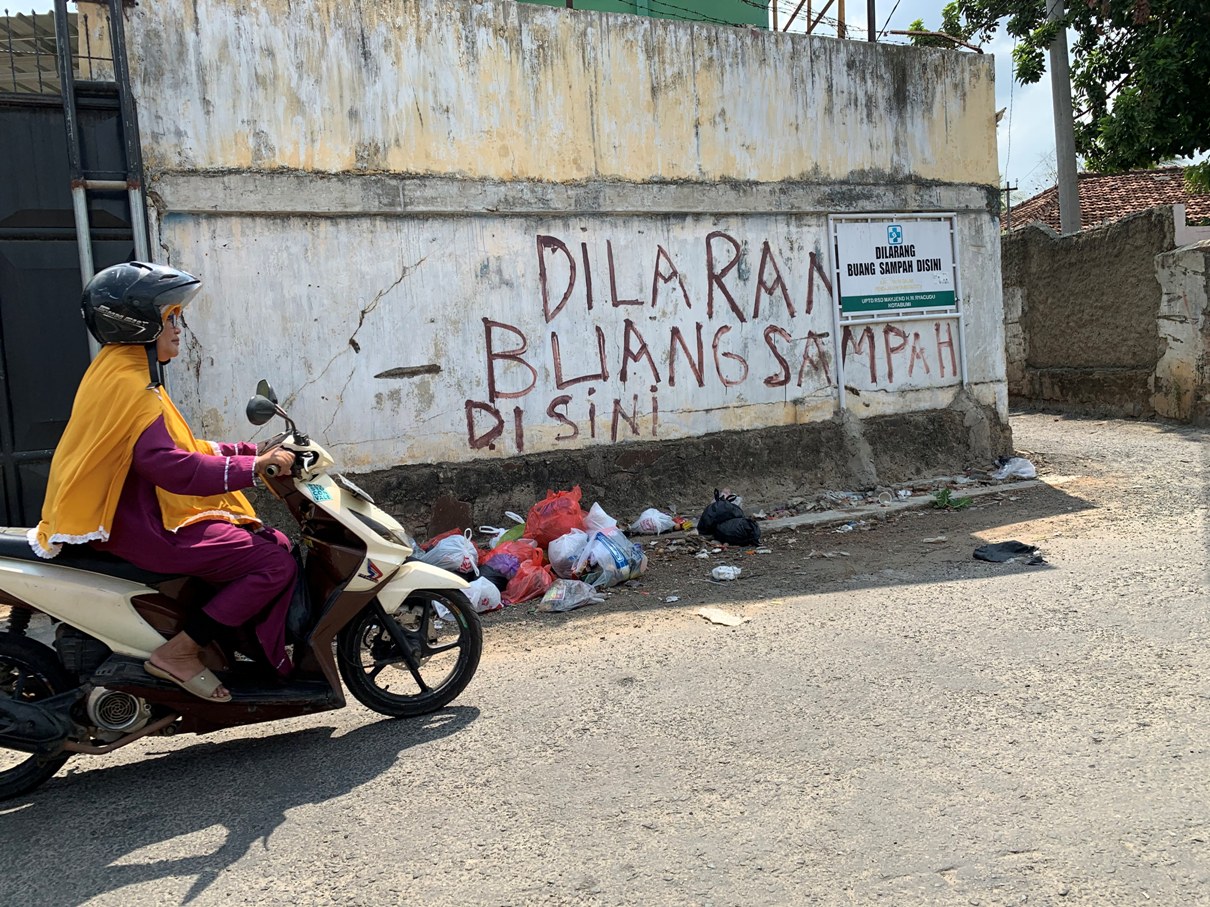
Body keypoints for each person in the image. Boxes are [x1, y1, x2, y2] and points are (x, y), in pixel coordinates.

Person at [30, 261, 297, 703]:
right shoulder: (133, 384)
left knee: (269, 547)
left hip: (134, 516)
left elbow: (183, 445)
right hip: (145, 526)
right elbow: (169, 465)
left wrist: (250, 451)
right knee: (273, 562)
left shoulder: (122, 372)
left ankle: (226, 645)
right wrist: (254, 470)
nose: (179, 329)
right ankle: (181, 652)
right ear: (142, 324)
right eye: (172, 317)